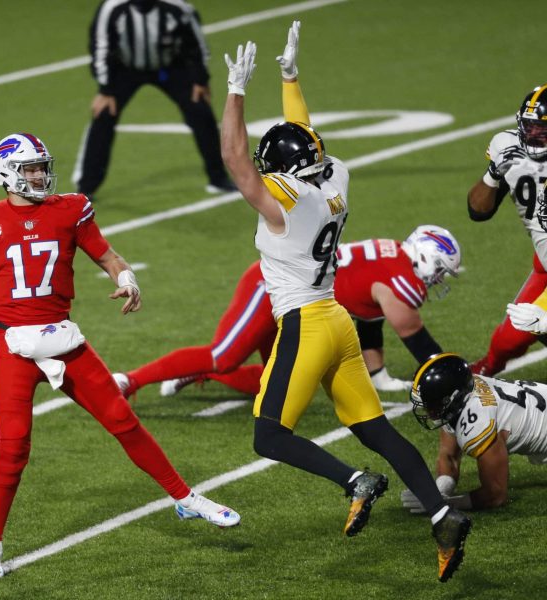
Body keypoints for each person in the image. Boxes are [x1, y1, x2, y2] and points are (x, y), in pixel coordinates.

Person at [0, 132, 240, 580]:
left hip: (63, 339)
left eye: (41, 167)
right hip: (13, 347)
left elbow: (108, 256)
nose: (39, 175)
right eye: (30, 168)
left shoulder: (70, 209)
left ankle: (185, 498)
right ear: (8, 173)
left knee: (122, 419)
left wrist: (127, 279)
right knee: (13, 448)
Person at [218, 22, 470, 582]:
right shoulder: (335, 180)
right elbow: (308, 138)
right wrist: (290, 78)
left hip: (306, 323)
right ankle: (442, 514)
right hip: (340, 321)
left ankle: (354, 481)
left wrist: (235, 92)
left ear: (281, 173)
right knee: (377, 429)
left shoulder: (284, 202)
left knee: (268, 435)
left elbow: (236, 160)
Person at [113, 226, 461, 399]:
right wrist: (456, 377)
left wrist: (378, 375)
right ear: (426, 257)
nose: (438, 279)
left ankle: (200, 373)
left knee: (275, 385)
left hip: (293, 298)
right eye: (440, 270)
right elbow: (417, 341)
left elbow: (370, 319)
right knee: (223, 356)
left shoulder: (394, 255)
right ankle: (130, 380)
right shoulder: (402, 279)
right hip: (272, 286)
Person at [72, 0, 236, 201]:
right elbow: (100, 45)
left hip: (169, 67)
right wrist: (105, 89)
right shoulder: (113, 7)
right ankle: (86, 188)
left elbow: (195, 42)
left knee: (200, 111)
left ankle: (218, 178)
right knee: (104, 115)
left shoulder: (176, 7)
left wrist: (199, 80)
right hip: (125, 69)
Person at [466, 83, 547, 376]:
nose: (533, 135)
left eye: (542, 130)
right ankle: (486, 371)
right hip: (544, 263)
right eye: (529, 127)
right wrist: (493, 173)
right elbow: (478, 212)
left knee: (539, 322)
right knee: (509, 338)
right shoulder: (507, 145)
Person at [401, 353, 547, 512]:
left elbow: (496, 495)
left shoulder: (478, 419)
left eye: (431, 404)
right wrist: (439, 492)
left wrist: (444, 505)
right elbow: (449, 456)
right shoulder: (462, 392)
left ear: (451, 398)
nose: (427, 410)